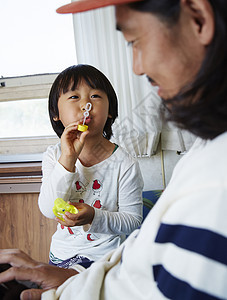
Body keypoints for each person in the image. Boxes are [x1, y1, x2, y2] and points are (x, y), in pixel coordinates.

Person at [0, 0, 227, 299]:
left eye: (136, 40)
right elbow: (137, 268)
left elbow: (136, 241)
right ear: (55, 113)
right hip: (72, 265)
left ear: (198, 18)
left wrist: (73, 279)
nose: (137, 67)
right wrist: (71, 279)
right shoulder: (204, 153)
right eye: (73, 97)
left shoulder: (211, 183)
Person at [38, 64, 143, 269]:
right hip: (62, 255)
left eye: (95, 96)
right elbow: (49, 210)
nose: (86, 104)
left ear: (110, 111)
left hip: (105, 258)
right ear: (55, 113)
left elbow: (133, 221)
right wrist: (68, 158)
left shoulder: (125, 164)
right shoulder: (53, 156)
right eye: (74, 97)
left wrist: (94, 216)